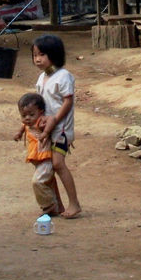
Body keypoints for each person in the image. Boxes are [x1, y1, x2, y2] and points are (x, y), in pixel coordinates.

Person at [32, 34, 82, 219]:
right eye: (35, 55)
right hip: (46, 129)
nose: (37, 59)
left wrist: (54, 119)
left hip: (61, 130)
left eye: (42, 54)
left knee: (58, 164)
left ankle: (74, 203)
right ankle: (57, 204)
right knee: (47, 166)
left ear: (54, 55)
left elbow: (67, 102)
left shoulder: (63, 76)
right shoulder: (42, 78)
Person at [13, 93, 62, 216]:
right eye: (23, 115)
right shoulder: (27, 124)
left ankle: (49, 205)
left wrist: (45, 132)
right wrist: (19, 134)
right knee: (47, 184)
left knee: (37, 181)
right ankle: (55, 206)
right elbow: (23, 126)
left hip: (45, 160)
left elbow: (52, 119)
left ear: (40, 112)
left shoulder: (41, 121)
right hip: (38, 162)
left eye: (31, 114)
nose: (27, 118)